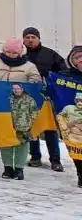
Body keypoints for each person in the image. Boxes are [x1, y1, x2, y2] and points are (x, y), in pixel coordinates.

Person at [0, 37, 42, 179]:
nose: (11, 55)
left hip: (22, 109)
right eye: (8, 52)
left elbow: (36, 85)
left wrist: (32, 84)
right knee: (5, 137)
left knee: (22, 138)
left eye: (14, 53)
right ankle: (8, 167)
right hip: (2, 107)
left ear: (21, 52)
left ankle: (20, 168)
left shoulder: (29, 66)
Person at [22, 27, 67, 171]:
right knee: (32, 126)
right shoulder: (20, 54)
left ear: (38, 38)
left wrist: (48, 73)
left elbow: (63, 72)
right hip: (27, 97)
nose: (30, 40)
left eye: (33, 37)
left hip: (48, 97)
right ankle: (35, 157)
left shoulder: (50, 54)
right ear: (23, 39)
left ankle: (55, 160)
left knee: (49, 128)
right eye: (27, 37)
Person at [56, 43, 82, 187]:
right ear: (72, 60)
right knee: (76, 145)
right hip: (74, 120)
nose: (81, 60)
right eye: (77, 57)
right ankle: (80, 172)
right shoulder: (66, 77)